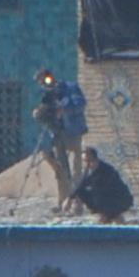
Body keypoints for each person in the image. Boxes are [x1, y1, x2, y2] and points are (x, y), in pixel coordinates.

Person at [31, 68, 85, 204]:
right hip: (56, 134)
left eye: (44, 80)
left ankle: (78, 202)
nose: (44, 84)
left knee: (76, 169)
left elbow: (80, 104)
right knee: (60, 169)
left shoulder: (69, 88)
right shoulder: (46, 94)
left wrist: (64, 109)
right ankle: (63, 200)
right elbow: (46, 109)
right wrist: (39, 113)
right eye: (40, 82)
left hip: (72, 132)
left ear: (50, 77)